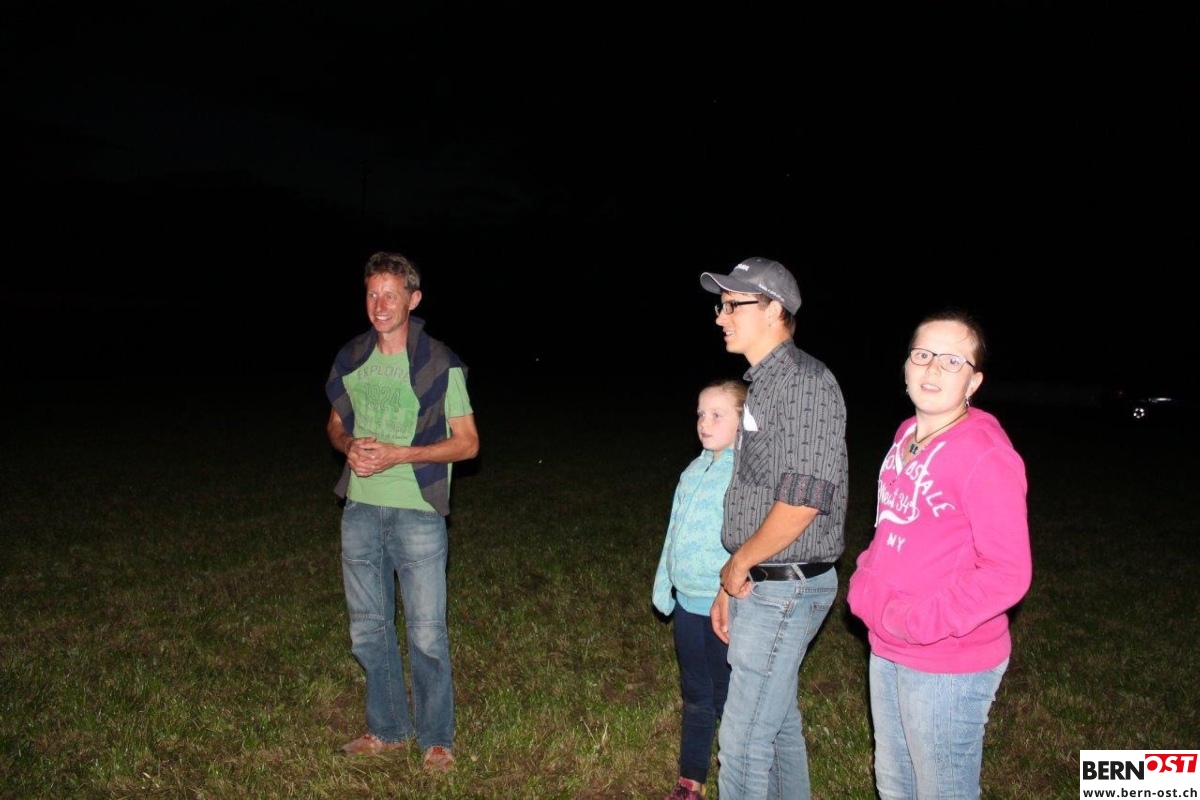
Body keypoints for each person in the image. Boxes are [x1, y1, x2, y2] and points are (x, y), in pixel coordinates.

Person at [846, 308, 1032, 799]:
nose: (932, 368)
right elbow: (891, 523)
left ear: (974, 382)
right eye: (923, 355)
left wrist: (920, 620)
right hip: (887, 642)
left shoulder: (985, 456)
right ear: (906, 365)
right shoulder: (906, 434)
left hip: (947, 657)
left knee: (941, 790)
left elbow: (1008, 572)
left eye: (952, 361)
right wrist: (868, 581)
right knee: (894, 782)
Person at [324, 250, 479, 773]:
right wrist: (348, 444)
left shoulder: (438, 362)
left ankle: (436, 738)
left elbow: (467, 443)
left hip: (417, 511)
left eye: (391, 295)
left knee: (427, 632)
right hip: (360, 510)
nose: (380, 305)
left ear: (413, 300)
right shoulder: (352, 357)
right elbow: (334, 425)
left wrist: (398, 455)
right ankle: (387, 728)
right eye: (372, 294)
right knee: (368, 629)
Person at [700, 257, 849, 800]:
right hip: (762, 582)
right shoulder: (763, 385)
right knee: (778, 723)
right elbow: (759, 491)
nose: (721, 317)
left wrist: (741, 564)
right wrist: (732, 578)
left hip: (787, 587)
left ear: (774, 310)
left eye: (732, 305)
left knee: (742, 744)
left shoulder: (804, 383)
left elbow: (803, 501)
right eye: (720, 306)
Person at [653, 378, 747, 800]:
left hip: (722, 605)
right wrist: (665, 584)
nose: (704, 423)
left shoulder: (746, 476)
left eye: (717, 415)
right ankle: (691, 778)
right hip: (687, 604)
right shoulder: (693, 470)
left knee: (726, 694)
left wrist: (735, 587)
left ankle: (739, 776)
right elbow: (673, 531)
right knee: (695, 692)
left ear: (743, 421)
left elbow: (752, 542)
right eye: (700, 414)